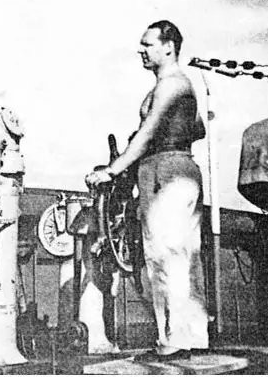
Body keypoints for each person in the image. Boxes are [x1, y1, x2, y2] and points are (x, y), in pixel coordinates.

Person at [85, 20, 208, 361]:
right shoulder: (179, 86)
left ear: (168, 47)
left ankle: (173, 339)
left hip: (165, 170)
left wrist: (112, 170)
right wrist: (172, 135)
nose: (141, 50)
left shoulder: (171, 84)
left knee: (164, 255)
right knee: (184, 255)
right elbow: (197, 128)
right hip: (178, 165)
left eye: (148, 44)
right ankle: (193, 337)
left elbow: (148, 132)